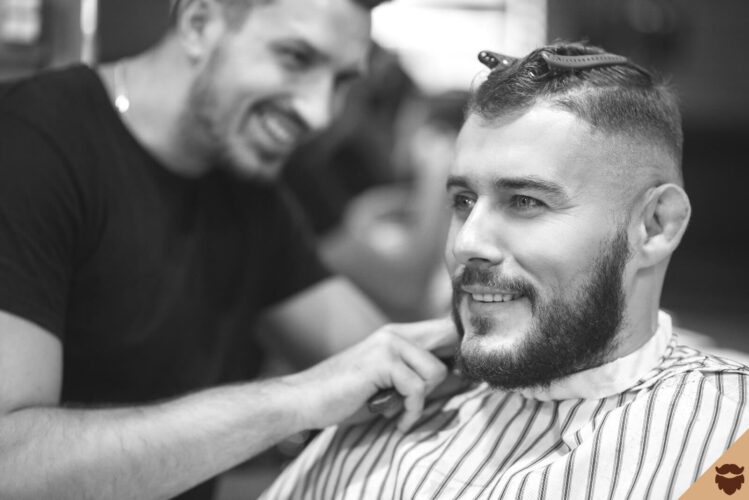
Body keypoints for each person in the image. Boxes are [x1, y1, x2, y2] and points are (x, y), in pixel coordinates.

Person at [0, 0, 455, 498]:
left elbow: (390, 362)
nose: (319, 112)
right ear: (199, 24)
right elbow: (11, 461)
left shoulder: (247, 188)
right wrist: (297, 398)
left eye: (343, 81)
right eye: (295, 58)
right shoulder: (29, 145)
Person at [260, 41, 749, 500]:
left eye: (525, 201)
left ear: (655, 226)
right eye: (463, 201)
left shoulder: (732, 435)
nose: (466, 243)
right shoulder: (392, 416)